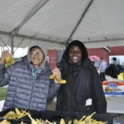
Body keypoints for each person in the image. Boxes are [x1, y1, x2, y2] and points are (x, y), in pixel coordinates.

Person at [0, 42, 61, 110]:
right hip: (13, 115)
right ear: (29, 53)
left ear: (44, 55)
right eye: (34, 51)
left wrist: (56, 82)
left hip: (35, 117)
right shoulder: (16, 67)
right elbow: (1, 82)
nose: (37, 55)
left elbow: (49, 98)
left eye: (41, 53)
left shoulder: (48, 74)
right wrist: (1, 62)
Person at [56, 40, 107, 114]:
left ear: (83, 53)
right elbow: (60, 97)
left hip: (85, 115)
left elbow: (99, 96)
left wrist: (102, 117)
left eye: (78, 51)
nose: (74, 54)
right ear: (68, 53)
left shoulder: (90, 70)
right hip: (66, 114)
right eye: (72, 51)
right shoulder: (63, 70)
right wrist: (57, 115)